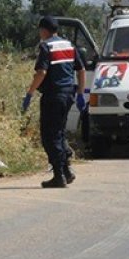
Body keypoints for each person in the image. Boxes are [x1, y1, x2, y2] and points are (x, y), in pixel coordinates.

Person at [22, 16, 86, 188]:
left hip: (53, 96)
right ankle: (66, 171)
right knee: (59, 133)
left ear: (44, 30)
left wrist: (29, 93)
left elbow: (41, 73)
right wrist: (80, 93)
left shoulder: (46, 47)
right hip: (68, 96)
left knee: (49, 136)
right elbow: (81, 70)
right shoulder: (69, 45)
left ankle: (59, 176)